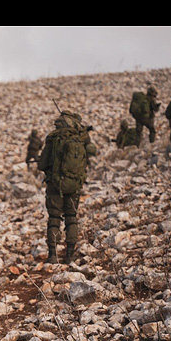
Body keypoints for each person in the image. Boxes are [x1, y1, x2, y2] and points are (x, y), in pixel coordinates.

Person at [37, 111, 97, 264]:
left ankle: (52, 255)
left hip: (54, 185)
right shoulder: (80, 138)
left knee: (54, 218)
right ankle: (70, 254)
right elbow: (90, 155)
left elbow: (42, 164)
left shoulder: (54, 137)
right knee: (71, 218)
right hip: (75, 184)